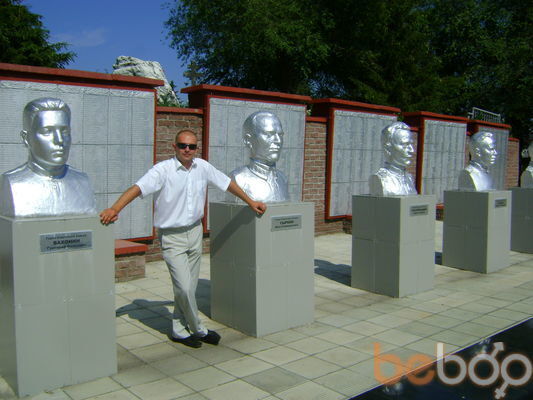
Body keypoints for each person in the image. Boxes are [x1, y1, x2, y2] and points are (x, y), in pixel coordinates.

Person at [100, 129, 266, 348]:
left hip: (195, 232)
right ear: (174, 147)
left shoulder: (202, 167)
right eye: (182, 145)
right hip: (172, 237)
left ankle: (179, 331)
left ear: (196, 148)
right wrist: (114, 208)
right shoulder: (162, 170)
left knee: (187, 289)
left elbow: (227, 183)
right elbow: (137, 188)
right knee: (185, 288)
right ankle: (199, 329)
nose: (187, 150)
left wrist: (250, 201)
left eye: (192, 146)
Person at [0, 97, 96, 217]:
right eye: (47, 131)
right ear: (26, 138)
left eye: (64, 131)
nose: (59, 140)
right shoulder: (13, 182)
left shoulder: (82, 181)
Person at [229, 111, 290, 202]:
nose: (278, 141)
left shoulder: (283, 179)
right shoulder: (238, 179)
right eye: (269, 134)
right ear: (248, 140)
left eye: (280, 135)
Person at [369, 121, 417, 196]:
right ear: (388, 148)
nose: (412, 150)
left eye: (411, 144)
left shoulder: (409, 178)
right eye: (405, 145)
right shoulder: (381, 179)